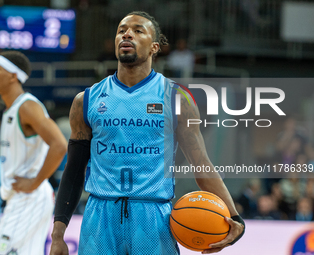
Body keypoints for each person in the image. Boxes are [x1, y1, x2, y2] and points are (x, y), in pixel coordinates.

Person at [50, 11, 244, 255]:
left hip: (154, 218)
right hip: (99, 217)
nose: (127, 34)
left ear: (154, 47)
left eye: (138, 30)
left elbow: (200, 163)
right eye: (121, 30)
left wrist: (235, 217)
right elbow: (75, 170)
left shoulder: (177, 98)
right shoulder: (86, 100)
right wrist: (58, 234)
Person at [0, 51, 67, 255]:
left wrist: (35, 182)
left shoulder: (27, 106)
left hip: (29, 196)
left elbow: (59, 144)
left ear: (13, 76)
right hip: (22, 198)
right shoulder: (10, 109)